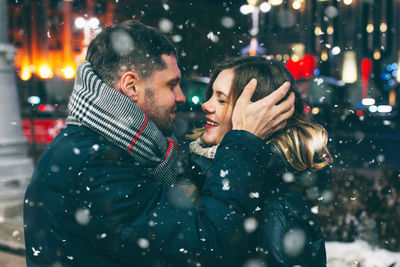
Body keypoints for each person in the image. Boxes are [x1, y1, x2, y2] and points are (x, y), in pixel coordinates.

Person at [23, 21, 295, 266]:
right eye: (171, 84)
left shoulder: (101, 146)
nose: (181, 97)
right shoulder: (96, 164)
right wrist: (244, 142)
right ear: (131, 86)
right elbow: (204, 245)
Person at [183, 56, 332, 266]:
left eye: (222, 99)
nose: (206, 105)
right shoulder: (203, 169)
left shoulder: (276, 207)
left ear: (262, 111)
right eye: (211, 95)